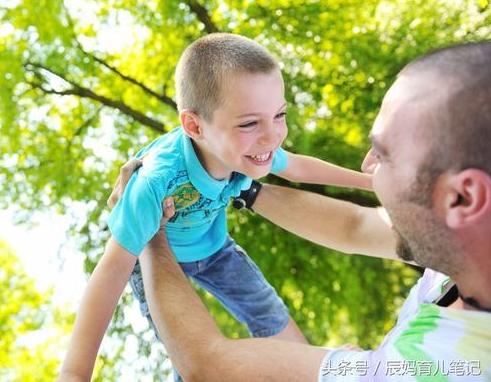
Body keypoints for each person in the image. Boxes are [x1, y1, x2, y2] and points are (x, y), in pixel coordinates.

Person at [111, 40, 491, 381]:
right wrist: (244, 184)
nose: (366, 165)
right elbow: (354, 225)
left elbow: (208, 363)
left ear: (463, 197)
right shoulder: (464, 242)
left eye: (385, 155)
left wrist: (151, 233)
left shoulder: (432, 369)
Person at [58, 33, 372, 381]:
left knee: (266, 307)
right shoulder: (155, 182)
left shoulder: (249, 148)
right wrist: (74, 373)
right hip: (159, 260)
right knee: (188, 352)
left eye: (279, 115)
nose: (273, 136)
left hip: (213, 246)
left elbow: (298, 167)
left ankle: (320, 371)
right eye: (250, 123)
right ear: (194, 126)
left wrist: (372, 183)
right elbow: (110, 272)